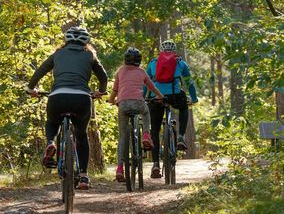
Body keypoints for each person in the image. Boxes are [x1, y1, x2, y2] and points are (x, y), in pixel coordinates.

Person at [25, 26, 108, 190]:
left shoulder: (57, 54)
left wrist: (31, 89)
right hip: (82, 98)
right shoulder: (90, 55)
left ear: (66, 40)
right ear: (86, 41)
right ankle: (83, 176)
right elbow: (103, 77)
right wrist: (101, 91)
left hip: (58, 96)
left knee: (51, 123)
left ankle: (51, 143)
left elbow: (40, 71)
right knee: (81, 135)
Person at [108, 47, 164, 182]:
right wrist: (160, 97)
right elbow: (152, 87)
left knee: (122, 136)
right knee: (146, 112)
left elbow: (115, 90)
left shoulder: (120, 71)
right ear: (139, 61)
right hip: (139, 103)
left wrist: (111, 101)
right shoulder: (142, 72)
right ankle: (146, 134)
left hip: (123, 104)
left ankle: (120, 168)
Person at [145, 40, 198, 178]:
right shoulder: (180, 63)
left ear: (161, 50)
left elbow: (145, 82)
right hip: (175, 95)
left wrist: (143, 97)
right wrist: (194, 98)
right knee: (184, 107)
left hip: (156, 97)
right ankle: (180, 137)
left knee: (154, 130)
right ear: (174, 50)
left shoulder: (152, 63)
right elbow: (189, 83)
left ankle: (155, 164)